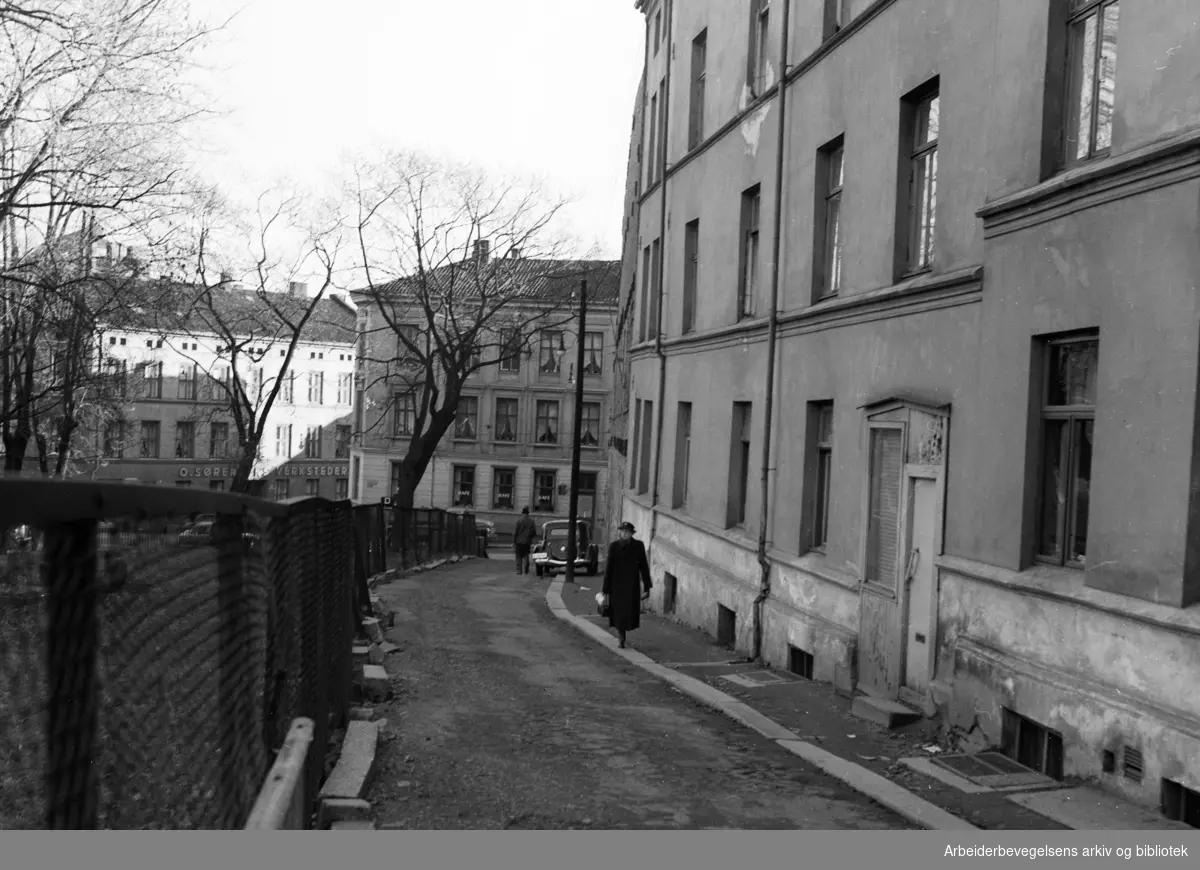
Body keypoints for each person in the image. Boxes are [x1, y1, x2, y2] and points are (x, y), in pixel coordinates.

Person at [601, 521, 652, 649]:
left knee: (629, 612)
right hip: (616, 585)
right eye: (622, 531)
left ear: (631, 533)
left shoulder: (638, 546)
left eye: (627, 532)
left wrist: (647, 586)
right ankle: (621, 637)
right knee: (618, 613)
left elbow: (644, 567)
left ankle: (623, 633)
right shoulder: (614, 546)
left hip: (632, 585)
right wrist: (605, 588)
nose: (624, 534)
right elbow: (609, 568)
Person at [512, 506, 537, 575]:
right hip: (527, 541)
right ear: (528, 514)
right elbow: (534, 532)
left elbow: (515, 532)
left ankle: (519, 571)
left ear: (522, 513)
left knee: (518, 556)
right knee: (526, 555)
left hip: (519, 541)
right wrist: (530, 537)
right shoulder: (531, 521)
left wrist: (514, 542)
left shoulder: (519, 521)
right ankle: (526, 569)